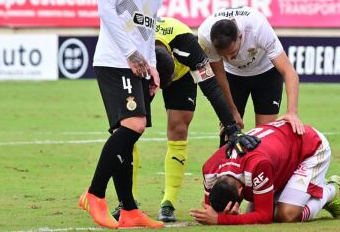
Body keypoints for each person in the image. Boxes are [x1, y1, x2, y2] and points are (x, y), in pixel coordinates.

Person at [110, 17, 261, 223]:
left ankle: (168, 203)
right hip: (139, 71)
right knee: (125, 131)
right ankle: (127, 201)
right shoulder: (131, 44)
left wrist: (232, 128)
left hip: (181, 76)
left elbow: (211, 87)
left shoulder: (188, 45)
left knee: (178, 129)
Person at [78, 0, 166, 229]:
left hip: (138, 63)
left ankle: (129, 210)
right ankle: (94, 194)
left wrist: (151, 63)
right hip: (115, 60)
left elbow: (149, 23)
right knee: (133, 125)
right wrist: (130, 52)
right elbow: (106, 9)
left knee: (125, 135)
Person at [190, 120, 340, 225]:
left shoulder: (258, 165)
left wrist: (221, 220)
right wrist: (216, 215)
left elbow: (264, 216)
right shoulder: (209, 168)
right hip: (280, 150)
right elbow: (210, 208)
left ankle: (330, 191)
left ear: (241, 190)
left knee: (286, 215)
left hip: (310, 148)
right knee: (251, 214)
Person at [198, 6, 304, 134]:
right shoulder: (205, 36)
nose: (229, 58)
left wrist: (292, 113)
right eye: (223, 55)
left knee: (264, 136)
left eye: (232, 52)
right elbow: (219, 74)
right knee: (229, 132)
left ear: (240, 36)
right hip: (232, 74)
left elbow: (289, 72)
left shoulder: (258, 28)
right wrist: (232, 111)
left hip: (266, 71)